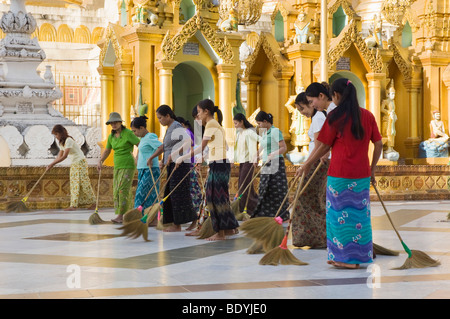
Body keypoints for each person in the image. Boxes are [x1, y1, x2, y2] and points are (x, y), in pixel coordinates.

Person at [297, 78, 383, 269]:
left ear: (335, 95)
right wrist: (372, 169)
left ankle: (344, 259)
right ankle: (360, 257)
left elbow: (324, 146)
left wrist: (306, 164)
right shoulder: (367, 116)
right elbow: (378, 144)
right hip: (361, 176)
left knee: (338, 217)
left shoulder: (335, 117)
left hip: (340, 176)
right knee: (359, 217)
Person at [177, 99, 239, 240]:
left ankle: (220, 232)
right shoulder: (214, 124)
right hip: (219, 163)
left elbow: (201, 147)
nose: (198, 115)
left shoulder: (211, 124)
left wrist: (183, 157)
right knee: (220, 198)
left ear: (206, 111)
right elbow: (212, 148)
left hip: (219, 164)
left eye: (199, 112)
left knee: (214, 198)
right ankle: (229, 228)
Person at [147, 105, 197, 232]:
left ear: (168, 116)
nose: (159, 120)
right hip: (171, 164)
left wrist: (174, 155)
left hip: (179, 165)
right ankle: (181, 221)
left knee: (177, 194)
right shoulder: (169, 128)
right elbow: (166, 147)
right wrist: (161, 160)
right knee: (171, 194)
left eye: (160, 118)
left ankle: (178, 224)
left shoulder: (176, 126)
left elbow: (187, 142)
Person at [291, 93, 328, 248]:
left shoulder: (319, 117)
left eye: (302, 108)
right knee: (313, 199)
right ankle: (315, 237)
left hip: (318, 163)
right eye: (299, 110)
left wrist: (306, 164)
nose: (302, 112)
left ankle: (316, 237)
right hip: (315, 162)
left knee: (305, 198)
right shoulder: (316, 118)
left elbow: (320, 145)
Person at [98, 112, 140, 224]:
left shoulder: (128, 133)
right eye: (112, 123)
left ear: (121, 122)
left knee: (123, 189)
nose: (114, 125)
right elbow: (107, 150)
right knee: (116, 190)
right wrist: (101, 160)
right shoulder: (111, 136)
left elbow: (140, 144)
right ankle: (125, 213)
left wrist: (137, 157)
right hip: (117, 165)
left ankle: (122, 215)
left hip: (128, 165)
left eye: (116, 122)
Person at [48, 125, 96, 211]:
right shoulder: (62, 143)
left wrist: (52, 164)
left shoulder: (68, 140)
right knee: (74, 183)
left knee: (84, 182)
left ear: (60, 133)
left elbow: (65, 156)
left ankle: (93, 203)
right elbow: (59, 156)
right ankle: (74, 205)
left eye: (56, 134)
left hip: (80, 162)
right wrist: (51, 164)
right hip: (74, 163)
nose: (56, 137)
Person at [252, 111, 289, 220]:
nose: (259, 126)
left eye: (259, 124)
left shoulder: (275, 131)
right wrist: (257, 155)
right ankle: (265, 213)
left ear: (265, 121)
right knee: (264, 188)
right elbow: (262, 146)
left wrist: (274, 154)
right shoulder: (264, 133)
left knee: (277, 189)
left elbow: (284, 148)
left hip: (276, 163)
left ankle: (281, 214)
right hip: (266, 163)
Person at [130, 115, 162, 212]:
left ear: (142, 128)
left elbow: (161, 147)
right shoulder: (143, 138)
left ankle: (140, 216)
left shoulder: (150, 137)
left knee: (142, 194)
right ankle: (147, 217)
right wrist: (137, 157)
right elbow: (142, 150)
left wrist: (151, 158)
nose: (134, 133)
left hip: (150, 169)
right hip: (142, 169)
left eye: (135, 131)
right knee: (146, 195)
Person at [177, 116, 202, 230]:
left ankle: (195, 217)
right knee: (192, 191)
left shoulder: (186, 132)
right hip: (188, 164)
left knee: (192, 192)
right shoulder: (187, 132)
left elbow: (191, 145)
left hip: (189, 165)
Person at [233, 112, 259, 215]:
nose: (235, 126)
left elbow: (257, 141)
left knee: (244, 186)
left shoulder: (249, 132)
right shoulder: (239, 133)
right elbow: (237, 149)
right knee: (245, 186)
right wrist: (233, 160)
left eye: (236, 123)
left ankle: (243, 210)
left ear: (241, 122)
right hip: (242, 162)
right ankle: (254, 208)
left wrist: (255, 158)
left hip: (249, 162)